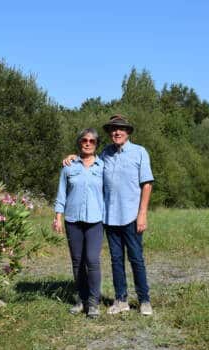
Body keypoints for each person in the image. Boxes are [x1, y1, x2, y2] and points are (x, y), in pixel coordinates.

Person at [64, 114, 154, 316]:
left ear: (128, 132)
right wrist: (72, 157)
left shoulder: (140, 153)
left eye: (121, 128)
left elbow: (147, 184)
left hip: (132, 216)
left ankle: (144, 300)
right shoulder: (104, 155)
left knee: (136, 259)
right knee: (116, 260)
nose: (117, 132)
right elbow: (87, 161)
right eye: (113, 129)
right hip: (110, 217)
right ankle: (121, 299)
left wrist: (142, 214)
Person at [53, 128, 105, 318]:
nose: (88, 143)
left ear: (96, 144)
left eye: (92, 141)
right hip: (73, 220)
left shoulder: (102, 166)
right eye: (84, 140)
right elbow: (61, 194)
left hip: (95, 221)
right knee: (77, 262)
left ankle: (93, 302)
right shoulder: (68, 166)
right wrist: (58, 216)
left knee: (92, 260)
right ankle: (81, 299)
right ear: (79, 142)